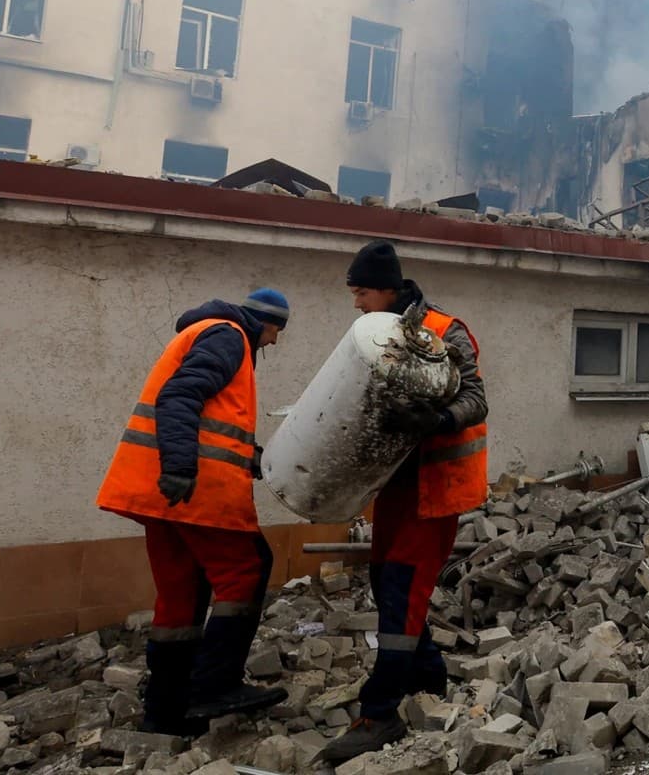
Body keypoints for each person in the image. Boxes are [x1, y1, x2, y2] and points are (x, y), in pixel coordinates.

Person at [95, 289, 295, 736]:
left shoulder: (207, 333)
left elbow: (210, 422)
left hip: (160, 491)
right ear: (264, 322)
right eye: (276, 333)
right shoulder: (228, 336)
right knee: (248, 567)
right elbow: (180, 397)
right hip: (192, 489)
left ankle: (164, 715)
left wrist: (251, 456)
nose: (274, 344)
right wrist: (182, 465)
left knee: (181, 593)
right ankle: (214, 686)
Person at [322, 240, 488, 763]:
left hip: (435, 487)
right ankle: (429, 679)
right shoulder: (374, 335)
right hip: (396, 484)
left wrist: (438, 421)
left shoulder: (443, 329)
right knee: (384, 581)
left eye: (362, 291)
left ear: (389, 287)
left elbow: (477, 399)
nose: (356, 303)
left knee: (402, 586)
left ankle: (381, 712)